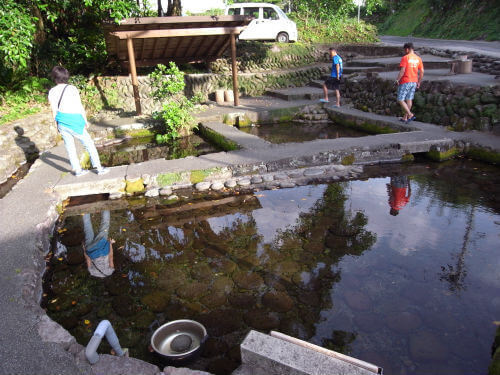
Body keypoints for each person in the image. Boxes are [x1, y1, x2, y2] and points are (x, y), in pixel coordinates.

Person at [48, 66, 109, 176]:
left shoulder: (52, 91)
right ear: (66, 76)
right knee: (89, 144)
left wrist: (57, 125)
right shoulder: (72, 89)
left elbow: (54, 110)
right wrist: (85, 120)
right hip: (74, 121)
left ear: (55, 77)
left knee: (70, 147)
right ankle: (99, 168)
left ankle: (77, 170)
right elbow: (79, 106)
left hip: (61, 122)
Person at [395, 43, 424, 123]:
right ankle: (405, 118)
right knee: (409, 99)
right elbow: (422, 71)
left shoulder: (405, 58)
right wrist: (419, 82)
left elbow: (402, 71)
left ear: (407, 49)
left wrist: (397, 79)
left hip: (406, 81)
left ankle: (410, 114)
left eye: (405, 50)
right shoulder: (418, 58)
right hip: (414, 81)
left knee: (400, 99)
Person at [82, 210, 115, 278]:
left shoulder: (110, 272)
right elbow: (88, 259)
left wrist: (110, 243)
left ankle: (105, 207)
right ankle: (85, 210)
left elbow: (110, 257)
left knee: (105, 225)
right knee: (87, 228)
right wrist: (84, 248)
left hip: (102, 248)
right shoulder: (92, 272)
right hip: (90, 250)